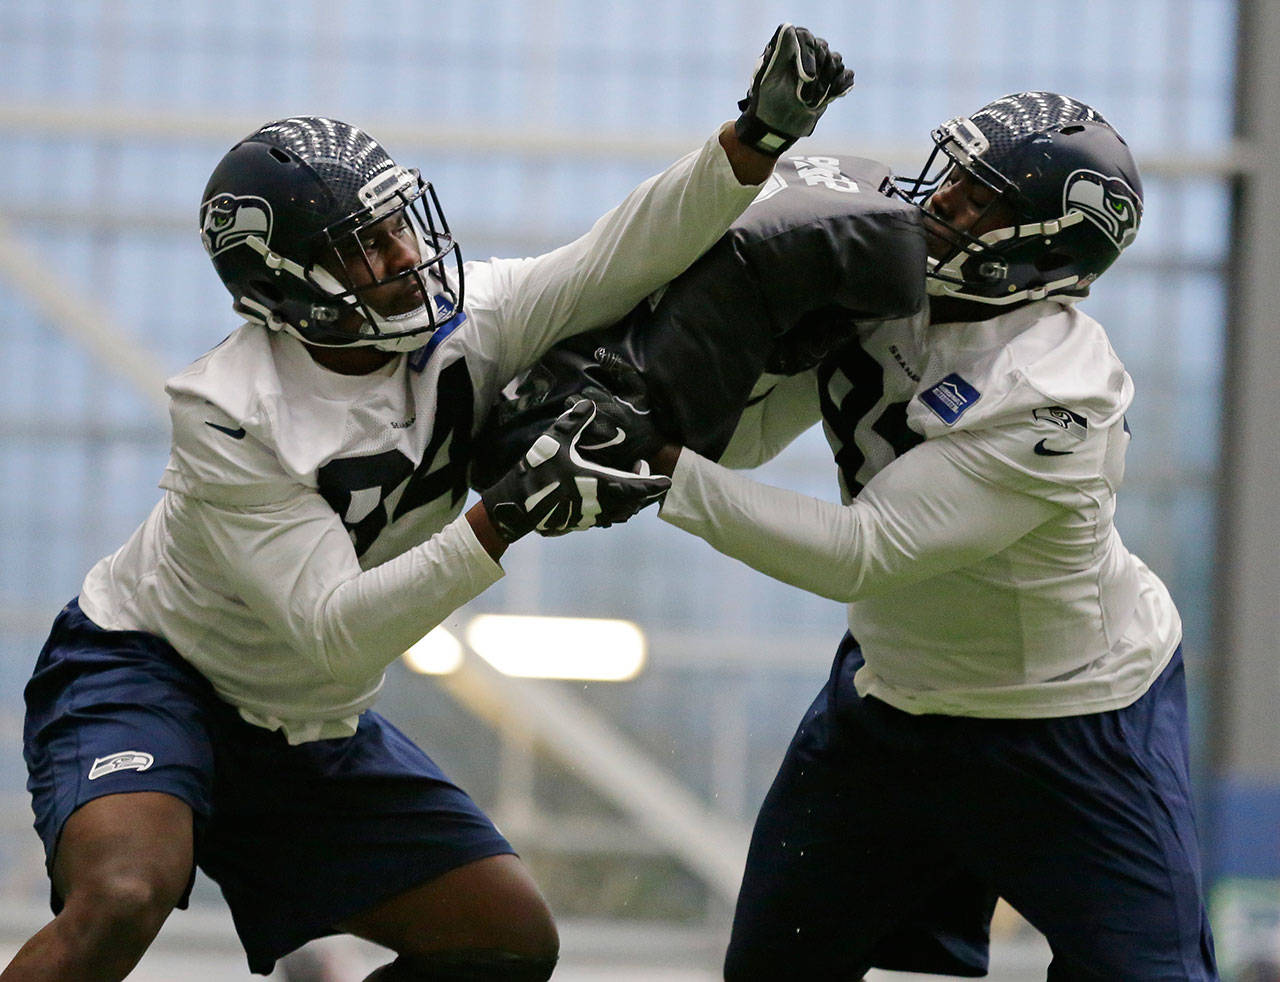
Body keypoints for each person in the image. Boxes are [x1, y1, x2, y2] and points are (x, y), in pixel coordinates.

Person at [5, 25, 854, 982]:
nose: (407, 252)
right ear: (288, 281)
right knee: (124, 894)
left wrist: (753, 139)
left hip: (308, 719)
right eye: (367, 246)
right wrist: (507, 511)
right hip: (156, 677)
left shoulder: (471, 321)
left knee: (507, 940)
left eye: (399, 222)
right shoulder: (231, 416)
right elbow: (334, 628)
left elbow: (618, 253)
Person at [549, 92, 1217, 979]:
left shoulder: (1062, 392)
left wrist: (663, 470)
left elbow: (862, 550)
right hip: (890, 698)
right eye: (955, 175)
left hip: (1071, 717)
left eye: (983, 199)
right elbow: (746, 442)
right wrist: (676, 382)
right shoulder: (882, 280)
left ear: (1050, 248)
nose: (943, 201)